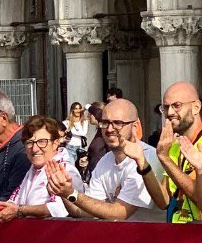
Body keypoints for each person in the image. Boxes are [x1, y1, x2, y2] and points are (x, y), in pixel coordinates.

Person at [46, 96, 164, 220]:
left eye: (118, 123)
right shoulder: (105, 161)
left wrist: (72, 194)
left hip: (151, 237)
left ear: (135, 126)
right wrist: (63, 191)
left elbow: (120, 212)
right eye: (105, 123)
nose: (109, 129)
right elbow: (85, 211)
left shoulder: (148, 159)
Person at [0, 116, 83, 224]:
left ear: (55, 143)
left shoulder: (67, 171)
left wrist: (20, 210)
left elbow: (61, 209)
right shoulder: (32, 171)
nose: (35, 148)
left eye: (42, 141)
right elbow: (14, 203)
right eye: (29, 142)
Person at [152, 82, 202, 222]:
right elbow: (164, 201)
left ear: (196, 107)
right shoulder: (175, 145)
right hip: (177, 232)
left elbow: (199, 199)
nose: (170, 113)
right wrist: (141, 164)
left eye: (177, 105)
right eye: (166, 107)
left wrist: (165, 158)